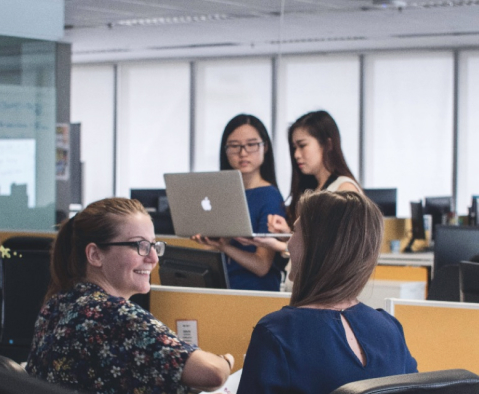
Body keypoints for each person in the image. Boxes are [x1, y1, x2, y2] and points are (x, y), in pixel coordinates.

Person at [26, 197, 234, 394]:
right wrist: (226, 361)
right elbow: (212, 374)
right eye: (139, 246)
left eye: (154, 245)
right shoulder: (114, 315)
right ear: (95, 255)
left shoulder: (58, 302)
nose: (153, 258)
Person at [237, 191, 418, 394]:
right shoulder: (390, 329)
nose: (288, 243)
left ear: (316, 246)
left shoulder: (277, 333)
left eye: (295, 232)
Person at [240, 110, 361, 256]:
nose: (296, 154)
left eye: (302, 146)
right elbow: (314, 242)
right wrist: (287, 234)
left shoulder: (344, 189)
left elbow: (336, 254)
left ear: (327, 144)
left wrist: (279, 245)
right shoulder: (314, 190)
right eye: (294, 148)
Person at [192, 114, 287, 291]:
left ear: (265, 147)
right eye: (234, 146)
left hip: (253, 294)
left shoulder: (269, 196)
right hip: (222, 289)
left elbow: (262, 266)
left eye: (251, 145)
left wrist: (224, 247)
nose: (243, 153)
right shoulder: (223, 193)